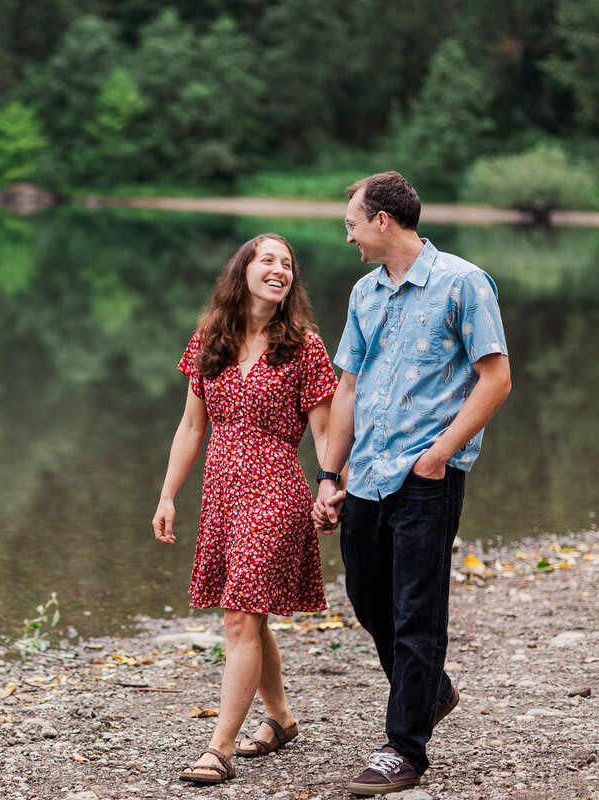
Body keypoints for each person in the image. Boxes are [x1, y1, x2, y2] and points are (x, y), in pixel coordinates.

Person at [312, 172, 511, 795]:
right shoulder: (364, 294)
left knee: (417, 611)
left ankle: (403, 749)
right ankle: (431, 691)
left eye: (351, 223)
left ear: (383, 221)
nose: (347, 236)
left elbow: (496, 379)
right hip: (366, 474)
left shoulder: (462, 282)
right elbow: (348, 386)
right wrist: (329, 472)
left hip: (427, 476)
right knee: (370, 598)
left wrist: (439, 455)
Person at [153, 233, 338, 785]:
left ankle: (220, 748)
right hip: (221, 494)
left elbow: (326, 432)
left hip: (276, 488)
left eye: (287, 264)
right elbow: (191, 426)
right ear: (243, 271)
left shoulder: (305, 345)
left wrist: (331, 487)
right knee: (247, 615)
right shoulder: (210, 337)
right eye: (267, 260)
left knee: (239, 617)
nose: (279, 269)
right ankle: (280, 719)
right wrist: (166, 495)